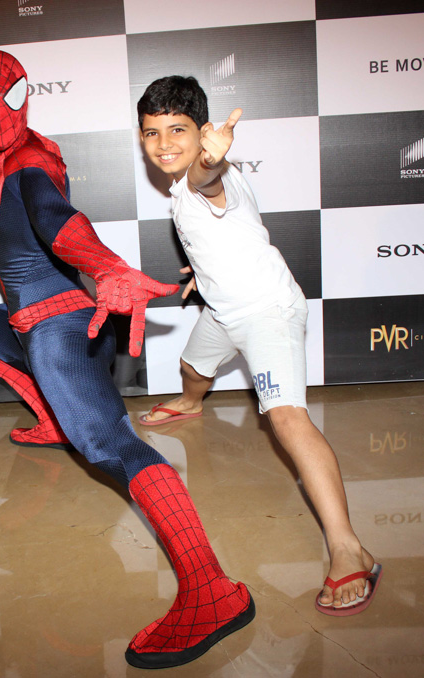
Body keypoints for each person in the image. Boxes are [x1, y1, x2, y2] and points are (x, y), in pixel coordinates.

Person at [0, 31, 255, 669]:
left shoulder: (29, 161)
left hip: (60, 326)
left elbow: (57, 218)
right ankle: (51, 416)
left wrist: (105, 264)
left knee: (110, 447)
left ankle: (211, 589)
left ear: (24, 100)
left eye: (2, 102)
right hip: (26, 323)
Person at [137, 75, 382, 616]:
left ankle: (349, 548)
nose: (164, 144)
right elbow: (222, 226)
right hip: (224, 309)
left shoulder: (207, 175)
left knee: (287, 420)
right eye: (152, 133)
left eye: (178, 130)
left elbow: (207, 180)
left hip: (268, 312)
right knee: (191, 367)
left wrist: (211, 159)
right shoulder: (180, 189)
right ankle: (191, 403)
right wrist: (203, 272)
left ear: (204, 133)